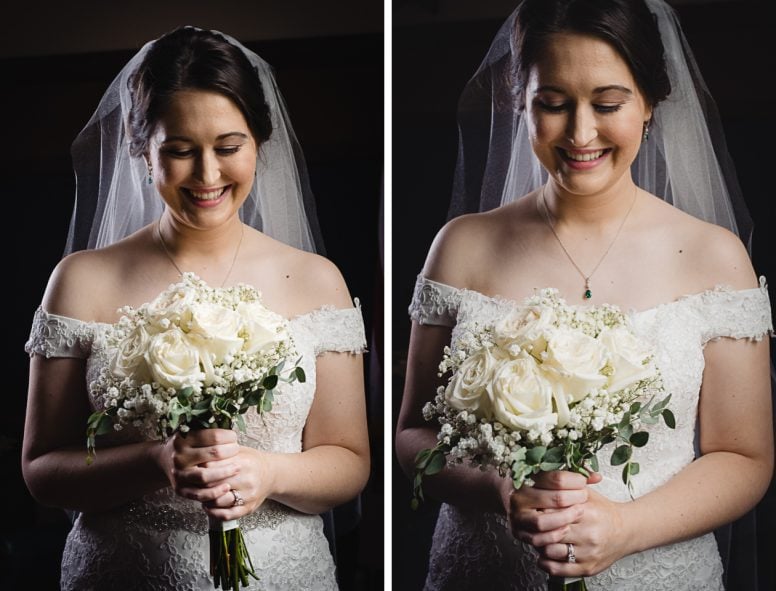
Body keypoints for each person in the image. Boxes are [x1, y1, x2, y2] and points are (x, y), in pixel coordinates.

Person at [395, 0, 773, 589]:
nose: (580, 132)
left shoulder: (713, 256)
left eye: (607, 103)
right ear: (519, 101)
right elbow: (412, 434)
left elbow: (744, 457)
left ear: (649, 103)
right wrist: (498, 486)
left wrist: (625, 527)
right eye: (552, 104)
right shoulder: (462, 246)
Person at [22, 26, 370, 590]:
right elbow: (41, 470)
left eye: (229, 148)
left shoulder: (315, 279)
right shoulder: (82, 280)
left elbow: (350, 459)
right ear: (141, 151)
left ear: (259, 142)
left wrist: (268, 472)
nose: (208, 176)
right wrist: (154, 459)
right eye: (179, 151)